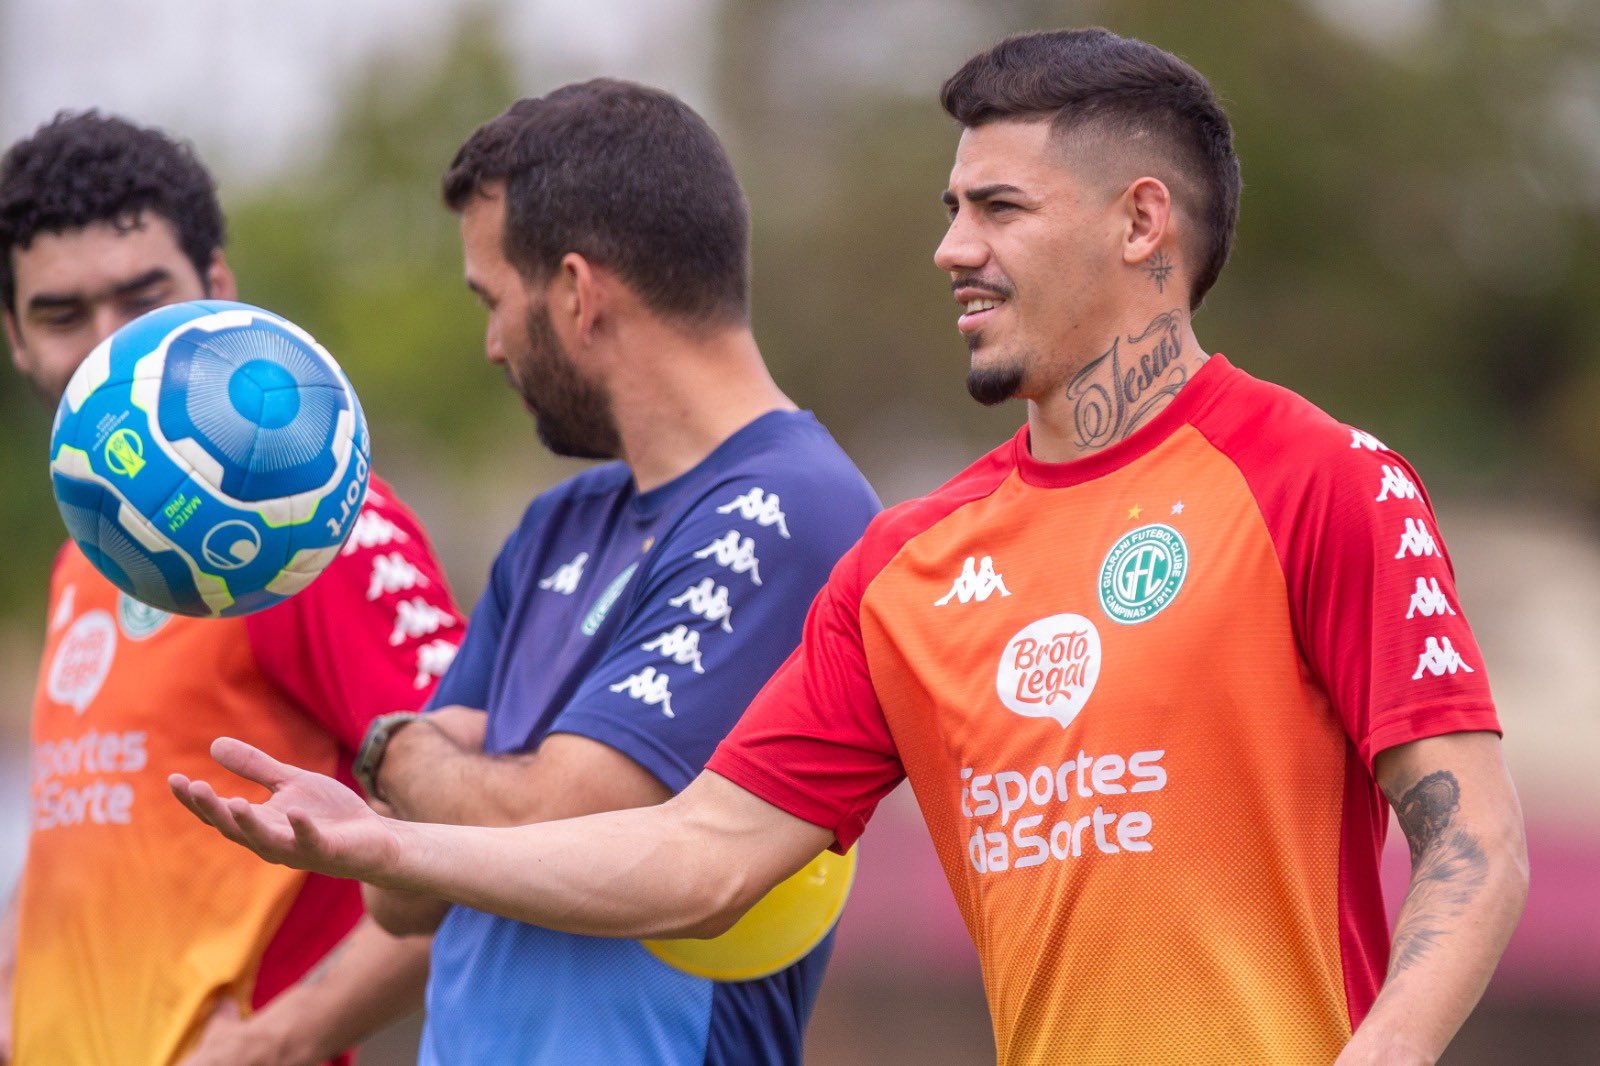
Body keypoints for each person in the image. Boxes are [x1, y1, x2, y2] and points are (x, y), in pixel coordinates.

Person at [170, 29, 1531, 1066]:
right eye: (950, 208)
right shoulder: (910, 559)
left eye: (998, 208)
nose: (950, 247)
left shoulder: (1322, 479)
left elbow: (1473, 841)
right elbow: (696, 852)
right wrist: (395, 848)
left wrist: (1388, 1049)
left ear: (1139, 223)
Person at [324, 81, 879, 1064]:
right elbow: (399, 891)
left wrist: (398, 755)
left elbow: (564, 813)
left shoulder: (795, 509)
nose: (493, 343)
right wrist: (461, 789)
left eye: (494, 301)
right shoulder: (557, 523)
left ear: (579, 293)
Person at [0, 111, 465, 1065]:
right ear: (13, 336)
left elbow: (486, 838)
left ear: (218, 294)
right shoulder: (87, 555)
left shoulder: (302, 533)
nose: (106, 348)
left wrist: (285, 1037)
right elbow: (98, 823)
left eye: (143, 302)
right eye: (60, 315)